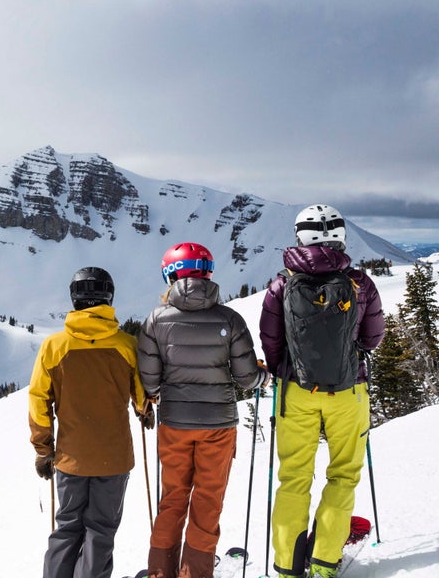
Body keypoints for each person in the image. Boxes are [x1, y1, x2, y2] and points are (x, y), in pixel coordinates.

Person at [259, 204, 384, 578]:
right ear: (341, 236)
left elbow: (271, 343)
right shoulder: (361, 283)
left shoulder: (282, 284)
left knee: (294, 478)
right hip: (349, 392)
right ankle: (325, 563)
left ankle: (287, 566)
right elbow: (373, 338)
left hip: (296, 392)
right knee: (343, 476)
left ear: (300, 236)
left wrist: (289, 372)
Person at [137, 242, 268, 578]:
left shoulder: (156, 320)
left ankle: (160, 573)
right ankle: (194, 573)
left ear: (169, 274)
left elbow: (150, 382)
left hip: (175, 423)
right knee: (207, 502)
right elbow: (247, 378)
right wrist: (263, 376)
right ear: (208, 273)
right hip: (218, 425)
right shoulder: (230, 319)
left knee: (173, 500)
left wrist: (158, 394)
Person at [28, 266, 147, 578]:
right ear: (109, 298)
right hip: (114, 458)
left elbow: (39, 398)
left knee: (67, 527)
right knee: (100, 531)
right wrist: (143, 410)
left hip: (70, 459)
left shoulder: (54, 347)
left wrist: (43, 449)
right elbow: (142, 396)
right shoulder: (126, 345)